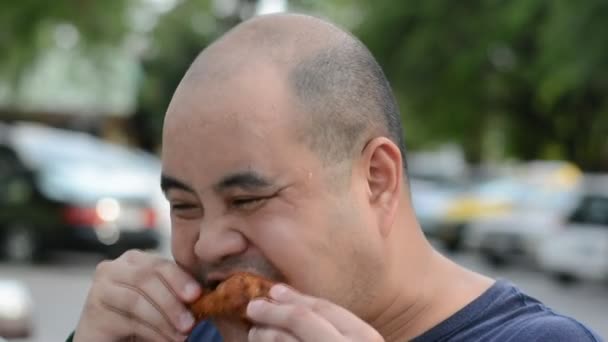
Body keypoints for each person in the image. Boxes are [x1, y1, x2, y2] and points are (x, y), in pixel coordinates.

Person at [69, 13, 603, 342]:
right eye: (185, 206)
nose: (207, 244)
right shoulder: (185, 332)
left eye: (248, 198)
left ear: (376, 179)